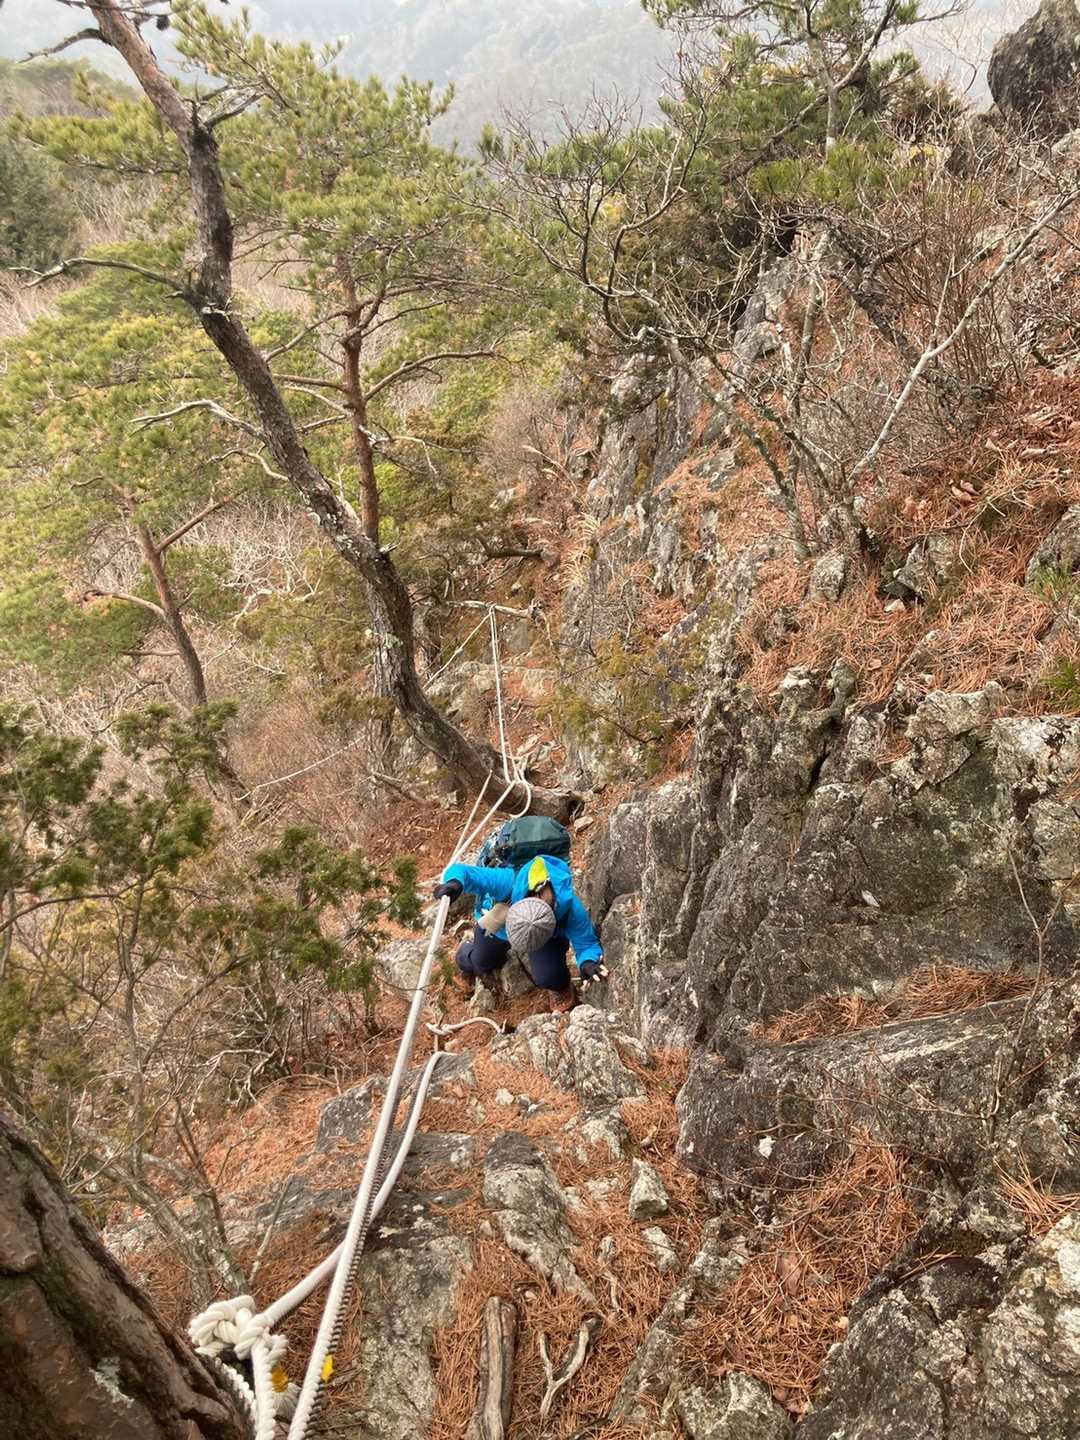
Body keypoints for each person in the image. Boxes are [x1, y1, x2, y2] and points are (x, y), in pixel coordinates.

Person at [433, 853, 609, 1012]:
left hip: (545, 938)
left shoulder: (570, 909)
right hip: (500, 925)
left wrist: (588, 962)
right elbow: (464, 872)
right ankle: (465, 955)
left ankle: (560, 986)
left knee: (550, 976)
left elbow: (586, 944)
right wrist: (455, 883)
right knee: (481, 961)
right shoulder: (508, 881)